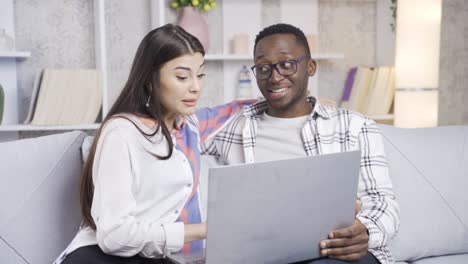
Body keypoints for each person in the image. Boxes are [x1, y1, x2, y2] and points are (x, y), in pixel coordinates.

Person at [201, 23, 400, 264]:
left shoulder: (355, 126)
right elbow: (178, 137)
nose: (274, 77)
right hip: (265, 255)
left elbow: (383, 203)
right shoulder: (233, 127)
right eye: (263, 68)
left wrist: (365, 231)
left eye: (286, 64)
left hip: (337, 254)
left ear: (310, 67)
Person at [55, 24, 250, 264]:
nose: (195, 87)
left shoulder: (188, 127)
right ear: (150, 79)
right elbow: (114, 236)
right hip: (101, 256)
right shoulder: (122, 132)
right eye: (182, 76)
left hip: (152, 256)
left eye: (200, 75)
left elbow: (235, 110)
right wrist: (202, 230)